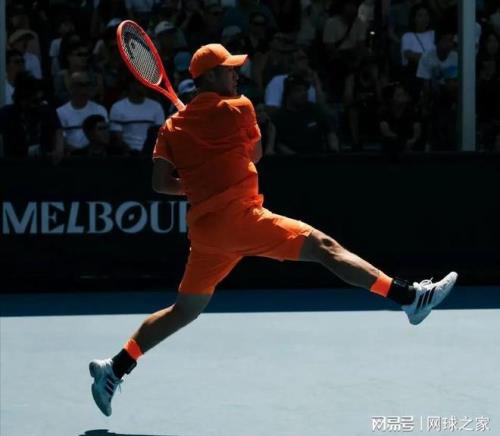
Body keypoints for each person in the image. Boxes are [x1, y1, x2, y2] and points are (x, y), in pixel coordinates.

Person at [89, 43, 458, 417]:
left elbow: (160, 183)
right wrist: (214, 161)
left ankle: (114, 368)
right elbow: (255, 155)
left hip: (207, 233)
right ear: (211, 77)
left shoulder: (172, 127)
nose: (236, 74)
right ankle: (408, 297)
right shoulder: (239, 108)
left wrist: (200, 178)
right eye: (229, 69)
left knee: (184, 310)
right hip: (241, 219)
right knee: (323, 247)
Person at [0, 73, 63, 162]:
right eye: (34, 101)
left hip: (44, 163)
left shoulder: (46, 110)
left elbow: (57, 130)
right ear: (22, 99)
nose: (39, 103)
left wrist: (58, 148)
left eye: (40, 99)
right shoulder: (7, 113)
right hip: (16, 163)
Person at [272, 74, 338, 154]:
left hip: (318, 157)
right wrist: (296, 157)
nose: (304, 93)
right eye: (298, 90)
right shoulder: (279, 117)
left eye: (305, 90)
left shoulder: (315, 110)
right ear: (288, 94)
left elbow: (330, 132)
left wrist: (334, 151)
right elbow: (278, 144)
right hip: (292, 159)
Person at [56, 71, 108, 152]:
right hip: (71, 156)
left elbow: (104, 137)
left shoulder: (100, 109)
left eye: (87, 84)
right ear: (71, 88)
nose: (84, 88)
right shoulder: (60, 112)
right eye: (80, 84)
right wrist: (78, 153)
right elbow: (60, 140)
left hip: (95, 155)